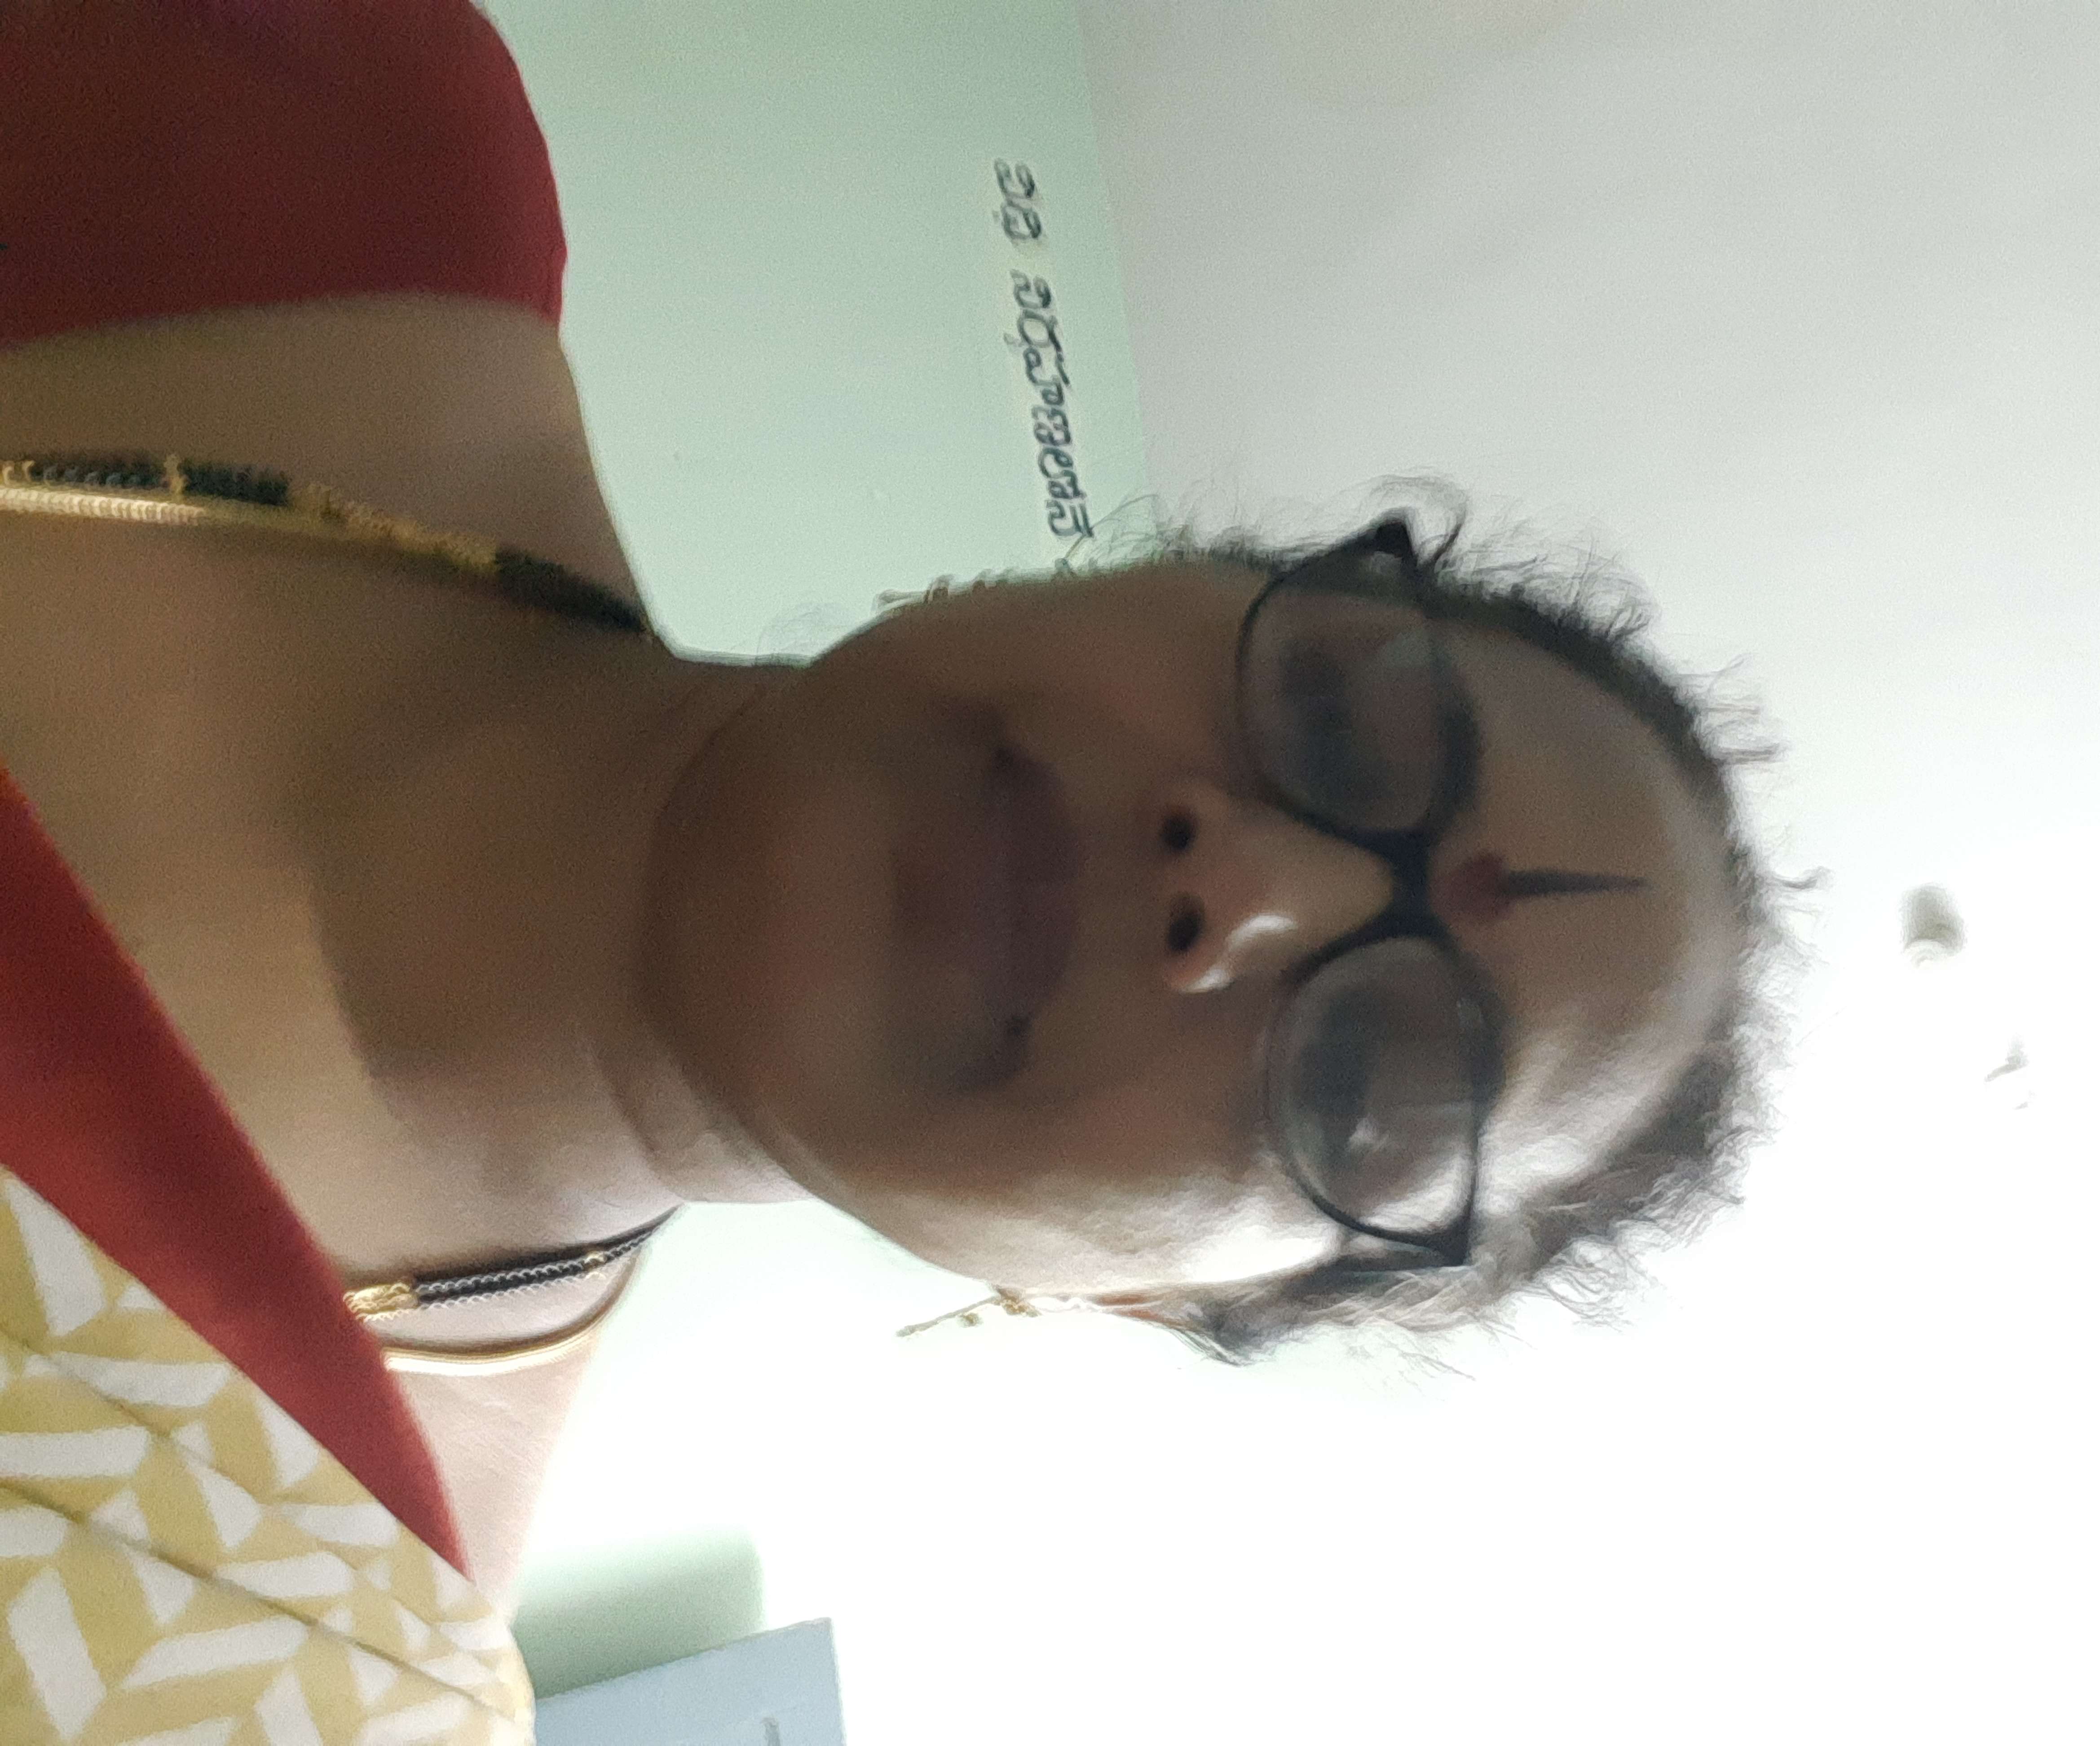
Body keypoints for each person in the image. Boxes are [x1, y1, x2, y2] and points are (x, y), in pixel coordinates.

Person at [0, 1, 1773, 1739]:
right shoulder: (302, 106)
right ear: (1159, 572)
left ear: (1154, 1296)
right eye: (1338, 715)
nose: (1246, 891)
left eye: (1366, 1086)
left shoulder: (276, 1670)